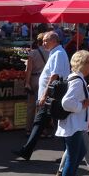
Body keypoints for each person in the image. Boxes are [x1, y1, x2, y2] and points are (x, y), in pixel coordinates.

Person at [14, 31, 70, 161]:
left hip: (52, 96)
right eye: (43, 40)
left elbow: (54, 76)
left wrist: (45, 95)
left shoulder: (58, 54)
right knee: (44, 123)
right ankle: (27, 151)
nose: (43, 43)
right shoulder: (55, 53)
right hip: (51, 96)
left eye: (46, 40)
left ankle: (68, 154)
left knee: (52, 124)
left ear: (54, 40)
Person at [55, 50, 89, 176]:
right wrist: (83, 104)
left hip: (75, 125)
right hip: (74, 126)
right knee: (72, 158)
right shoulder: (78, 81)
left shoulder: (77, 79)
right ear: (83, 64)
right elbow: (67, 102)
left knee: (79, 153)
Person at [24, 33, 50, 133]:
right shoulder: (50, 53)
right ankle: (41, 130)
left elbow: (29, 70)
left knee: (31, 106)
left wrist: (27, 82)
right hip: (45, 80)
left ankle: (28, 129)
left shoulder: (33, 53)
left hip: (34, 78)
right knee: (43, 106)